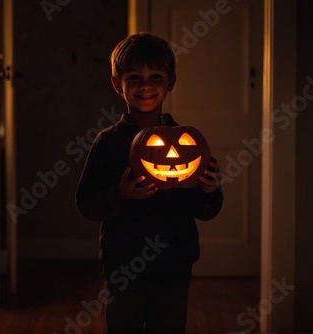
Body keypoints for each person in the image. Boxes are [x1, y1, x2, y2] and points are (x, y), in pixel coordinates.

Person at [75, 32, 223, 333]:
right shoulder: (108, 143)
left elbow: (204, 210)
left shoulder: (188, 143)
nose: (145, 85)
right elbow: (86, 203)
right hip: (124, 267)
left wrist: (210, 190)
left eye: (155, 76)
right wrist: (120, 193)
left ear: (170, 82)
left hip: (175, 264)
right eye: (134, 77)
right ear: (118, 84)